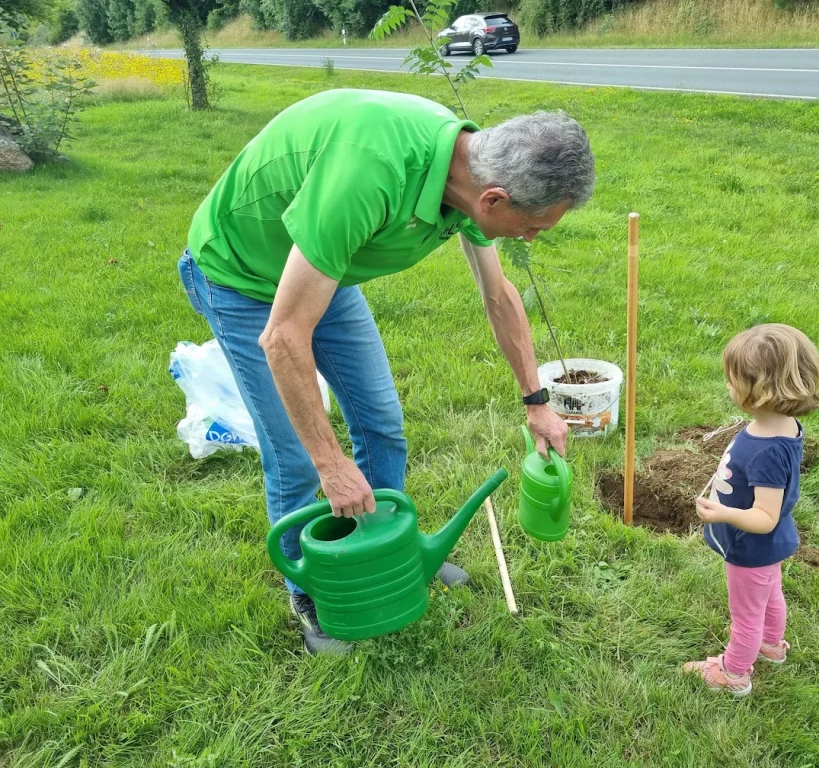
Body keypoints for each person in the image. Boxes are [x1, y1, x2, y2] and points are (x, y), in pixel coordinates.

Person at [176, 88, 596, 654]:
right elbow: (282, 337)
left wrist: (536, 402)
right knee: (297, 455)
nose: (531, 238)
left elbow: (499, 296)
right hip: (243, 275)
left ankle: (387, 552)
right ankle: (313, 588)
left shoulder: (470, 169)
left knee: (381, 424)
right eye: (533, 227)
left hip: (329, 266)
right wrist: (331, 463)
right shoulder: (370, 173)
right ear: (493, 200)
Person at [684, 324, 819, 695]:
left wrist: (723, 513)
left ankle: (733, 674)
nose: (727, 387)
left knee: (746, 615)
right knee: (770, 593)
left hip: (752, 546)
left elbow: (764, 518)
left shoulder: (768, 451)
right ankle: (771, 645)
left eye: (732, 381)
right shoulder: (778, 425)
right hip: (769, 547)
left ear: (759, 391)